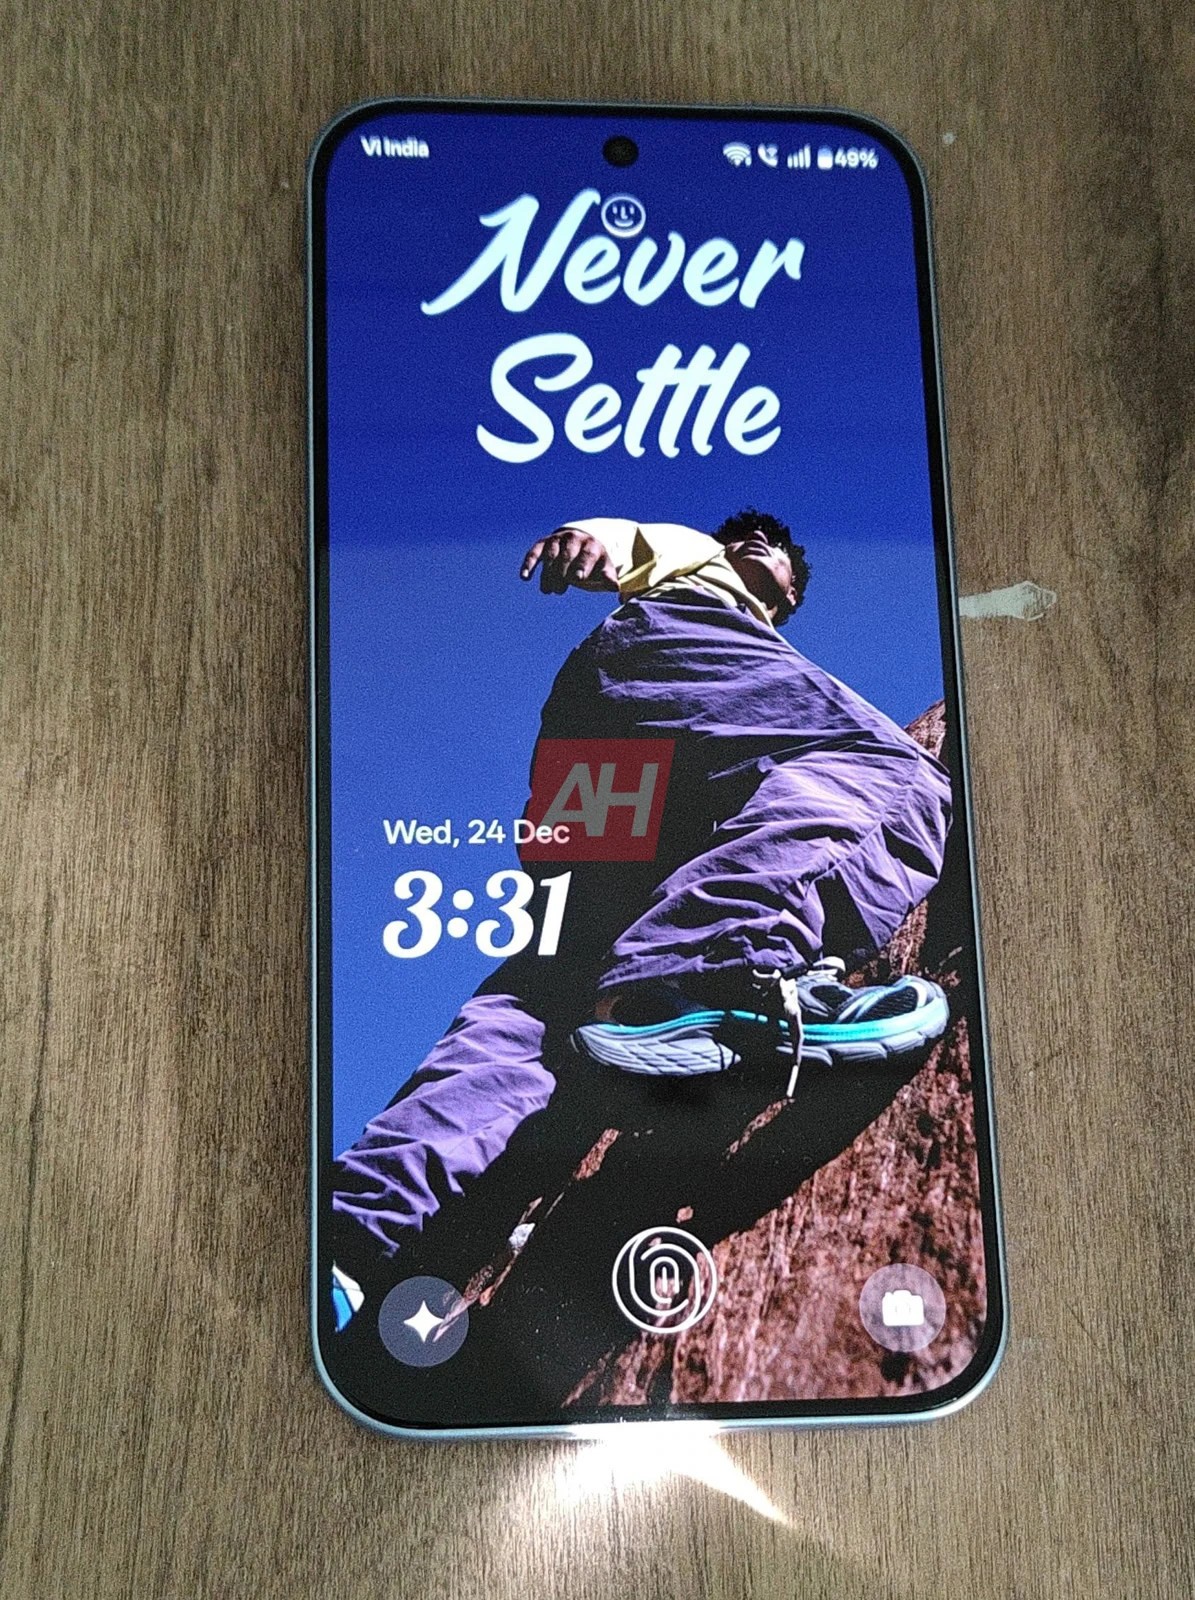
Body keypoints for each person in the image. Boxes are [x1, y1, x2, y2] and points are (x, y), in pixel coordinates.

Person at [329, 510, 951, 1318]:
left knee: (555, 985)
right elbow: (640, 541)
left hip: (599, 741)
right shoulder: (704, 576)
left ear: (790, 592)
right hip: (666, 659)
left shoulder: (723, 622)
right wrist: (594, 536)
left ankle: (350, 1240)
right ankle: (709, 986)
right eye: (743, 541)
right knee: (883, 768)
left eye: (771, 549)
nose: (751, 545)